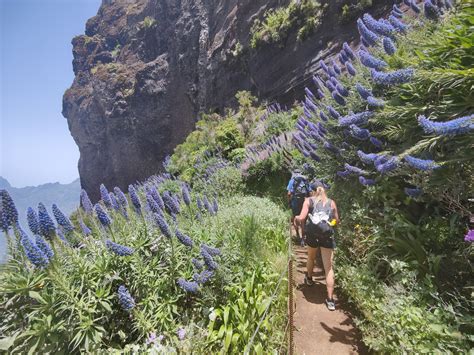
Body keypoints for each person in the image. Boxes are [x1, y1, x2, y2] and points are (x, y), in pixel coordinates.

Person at [296, 182, 340, 311]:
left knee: (311, 258)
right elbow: (337, 220)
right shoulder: (331, 202)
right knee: (328, 266)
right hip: (327, 235)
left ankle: (309, 279)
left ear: (312, 191)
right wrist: (330, 223)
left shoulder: (308, 201)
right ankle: (331, 300)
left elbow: (302, 217)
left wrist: (296, 218)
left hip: (312, 234)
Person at [287, 169, 310, 245]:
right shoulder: (305, 180)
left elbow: (289, 193)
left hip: (295, 200)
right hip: (304, 200)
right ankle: (303, 239)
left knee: (296, 217)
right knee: (303, 219)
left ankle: (297, 235)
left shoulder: (292, 180)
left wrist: (289, 202)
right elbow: (309, 191)